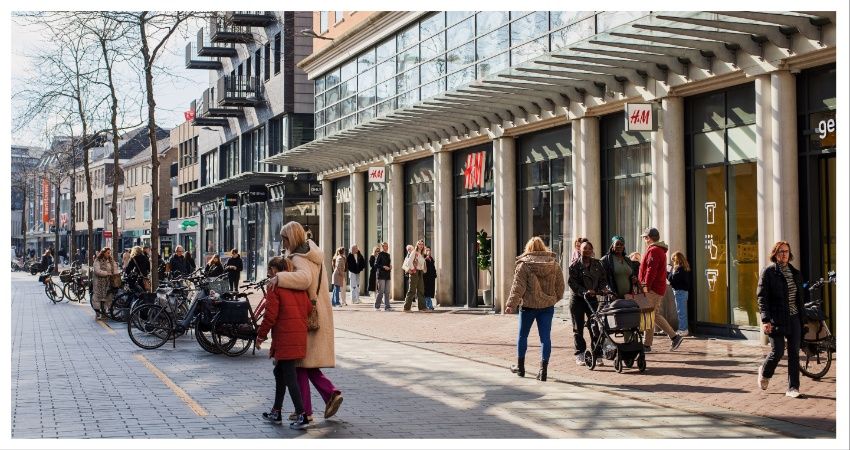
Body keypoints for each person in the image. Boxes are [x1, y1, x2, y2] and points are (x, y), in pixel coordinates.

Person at [276, 221, 343, 424]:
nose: (283, 242)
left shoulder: (299, 257)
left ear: (293, 238)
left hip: (306, 315)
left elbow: (304, 279)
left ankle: (305, 409)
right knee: (307, 363)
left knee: (299, 364)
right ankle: (328, 395)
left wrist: (280, 278)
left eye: (285, 238)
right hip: (318, 312)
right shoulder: (312, 253)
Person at [256, 256, 312, 430]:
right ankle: (276, 411)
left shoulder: (275, 286)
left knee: (289, 376)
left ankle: (302, 415)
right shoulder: (297, 286)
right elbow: (309, 308)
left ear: (274, 270)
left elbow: (270, 315)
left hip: (285, 337)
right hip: (298, 336)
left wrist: (260, 336)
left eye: (270, 269)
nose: (268, 272)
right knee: (279, 373)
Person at [505, 237, 566, 381]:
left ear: (528, 248)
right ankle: (543, 370)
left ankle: (520, 368)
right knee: (545, 338)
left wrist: (510, 304)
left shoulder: (524, 265)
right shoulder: (554, 264)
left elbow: (518, 287)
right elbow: (560, 287)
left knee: (522, 336)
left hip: (528, 306)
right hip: (547, 306)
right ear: (543, 247)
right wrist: (551, 299)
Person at [757, 241, 805, 398]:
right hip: (776, 318)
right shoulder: (769, 272)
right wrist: (765, 320)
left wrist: (802, 317)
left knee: (794, 354)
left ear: (789, 254)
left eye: (786, 251)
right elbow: (762, 298)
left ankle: (793, 388)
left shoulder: (795, 273)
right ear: (775, 254)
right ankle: (765, 372)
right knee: (777, 351)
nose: (784, 254)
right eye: (780, 252)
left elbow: (799, 298)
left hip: (794, 317)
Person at [638, 227, 684, 352]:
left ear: (649, 238)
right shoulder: (658, 250)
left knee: (647, 314)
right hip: (656, 288)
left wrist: (644, 287)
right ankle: (674, 337)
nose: (644, 240)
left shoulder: (653, 251)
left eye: (645, 238)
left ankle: (647, 345)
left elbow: (650, 271)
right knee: (653, 314)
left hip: (651, 289)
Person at [568, 240, 609, 365]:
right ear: (580, 250)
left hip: (592, 299)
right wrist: (584, 291)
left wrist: (601, 289)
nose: (587, 250)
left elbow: (603, 279)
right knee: (578, 328)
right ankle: (580, 353)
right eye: (584, 248)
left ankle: (597, 353)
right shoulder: (574, 266)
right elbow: (572, 283)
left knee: (595, 327)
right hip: (578, 300)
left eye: (589, 248)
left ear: (592, 250)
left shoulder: (598, 264)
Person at [667, 251, 692, 337]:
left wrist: (669, 271)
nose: (673, 262)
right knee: (681, 311)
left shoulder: (680, 269)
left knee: (681, 312)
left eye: (673, 260)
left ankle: (683, 329)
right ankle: (682, 328)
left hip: (680, 291)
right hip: (680, 291)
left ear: (676, 260)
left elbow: (672, 280)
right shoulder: (684, 268)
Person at [91, 247, 119, 321]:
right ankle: (97, 313)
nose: (109, 254)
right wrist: (107, 273)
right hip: (99, 282)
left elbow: (115, 268)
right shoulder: (98, 260)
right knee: (98, 297)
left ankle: (105, 313)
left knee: (108, 297)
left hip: (109, 282)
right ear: (103, 253)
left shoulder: (111, 260)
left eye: (110, 253)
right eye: (108, 253)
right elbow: (97, 270)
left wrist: (116, 274)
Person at [402, 240, 427, 312]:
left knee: (421, 290)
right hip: (415, 272)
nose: (421, 245)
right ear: (417, 245)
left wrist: (423, 269)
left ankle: (422, 308)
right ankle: (406, 308)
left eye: (422, 244)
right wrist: (413, 270)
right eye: (419, 244)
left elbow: (422, 264)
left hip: (420, 272)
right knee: (412, 291)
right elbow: (409, 262)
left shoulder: (422, 253)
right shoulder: (414, 252)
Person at [374, 242, 392, 311]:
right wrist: (383, 267)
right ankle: (377, 306)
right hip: (381, 275)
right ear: (382, 247)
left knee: (387, 292)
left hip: (387, 275)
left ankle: (387, 306)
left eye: (387, 246)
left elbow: (388, 264)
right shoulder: (380, 254)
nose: (386, 247)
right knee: (381, 291)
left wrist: (390, 266)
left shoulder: (388, 255)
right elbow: (376, 265)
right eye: (385, 246)